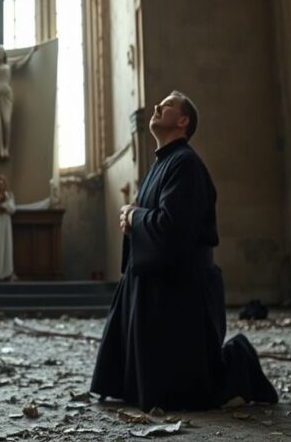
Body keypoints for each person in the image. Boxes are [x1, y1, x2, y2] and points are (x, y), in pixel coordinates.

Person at [90, 91, 278, 411]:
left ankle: (240, 360)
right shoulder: (161, 165)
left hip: (179, 292)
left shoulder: (186, 164)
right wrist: (133, 221)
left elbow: (173, 230)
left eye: (166, 105)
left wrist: (135, 217)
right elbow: (156, 221)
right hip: (154, 284)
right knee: (144, 390)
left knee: (185, 397)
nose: (157, 107)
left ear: (182, 121)